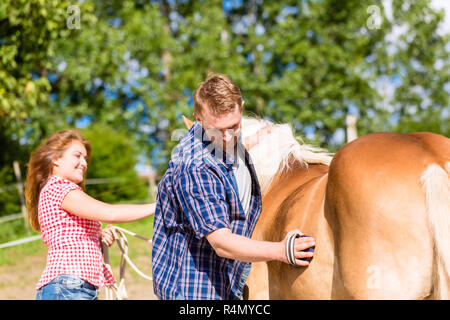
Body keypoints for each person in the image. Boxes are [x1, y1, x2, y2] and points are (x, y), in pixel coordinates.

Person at [152, 74, 315, 300]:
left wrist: (257, 138)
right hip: (197, 291)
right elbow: (221, 243)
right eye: (218, 129)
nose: (228, 137)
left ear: (242, 108)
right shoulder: (195, 167)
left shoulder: (223, 141)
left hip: (222, 279)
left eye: (234, 126)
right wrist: (281, 251)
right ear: (198, 120)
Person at [25, 129, 155, 300]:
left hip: (74, 287)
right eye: (77, 156)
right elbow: (110, 213)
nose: (84, 163)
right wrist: (158, 206)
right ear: (56, 158)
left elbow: (72, 236)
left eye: (85, 158)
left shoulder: (57, 190)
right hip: (69, 287)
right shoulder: (59, 187)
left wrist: (98, 238)